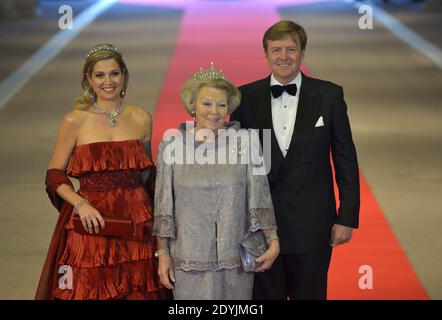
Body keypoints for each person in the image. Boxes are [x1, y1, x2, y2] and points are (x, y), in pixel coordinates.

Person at [231, 20, 360, 300]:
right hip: (263, 223)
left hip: (313, 224)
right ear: (265, 54)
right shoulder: (244, 98)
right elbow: (235, 165)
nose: (284, 57)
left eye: (291, 49)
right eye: (276, 50)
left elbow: (345, 159)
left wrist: (347, 216)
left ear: (302, 54)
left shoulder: (329, 95)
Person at [35, 44, 164, 300]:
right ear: (89, 80)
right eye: (100, 75)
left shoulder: (142, 118)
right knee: (91, 288)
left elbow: (147, 175)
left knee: (138, 290)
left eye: (114, 73)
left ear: (124, 76)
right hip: (93, 221)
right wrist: (80, 204)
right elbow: (54, 176)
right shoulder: (75, 120)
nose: (108, 81)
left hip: (137, 221)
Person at [152, 63, 280, 300]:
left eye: (222, 105)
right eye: (207, 103)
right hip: (188, 260)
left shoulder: (246, 141)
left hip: (236, 261)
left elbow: (259, 196)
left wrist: (272, 239)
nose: (214, 112)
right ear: (192, 105)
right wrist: (163, 254)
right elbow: (163, 206)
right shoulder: (171, 144)